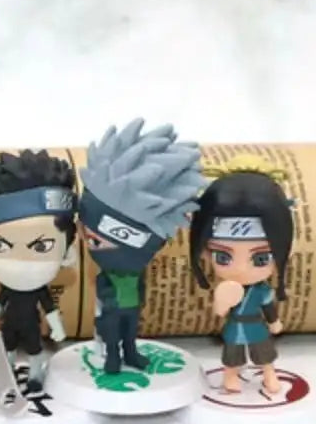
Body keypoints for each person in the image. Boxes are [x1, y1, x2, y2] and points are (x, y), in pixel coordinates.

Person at [79, 118, 204, 373]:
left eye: (94, 240)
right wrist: (107, 303)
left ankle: (130, 353)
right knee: (112, 335)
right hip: (114, 310)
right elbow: (103, 288)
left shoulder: (136, 266)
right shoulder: (108, 274)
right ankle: (112, 358)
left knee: (130, 333)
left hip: (131, 308)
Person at [0, 149, 77, 392]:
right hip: (9, 325)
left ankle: (35, 375)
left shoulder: (39, 290)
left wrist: (56, 327)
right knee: (7, 348)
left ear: (67, 254)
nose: (21, 262)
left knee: (35, 349)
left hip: (32, 325)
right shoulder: (8, 288)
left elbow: (49, 308)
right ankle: (7, 372)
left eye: (41, 247)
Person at [189, 156, 293, 394]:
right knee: (232, 356)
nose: (241, 269)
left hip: (257, 326)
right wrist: (222, 302)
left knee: (265, 354)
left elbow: (269, 309)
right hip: (235, 326)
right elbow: (220, 312)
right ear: (205, 253)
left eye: (261, 258)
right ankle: (231, 377)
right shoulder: (229, 289)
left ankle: (269, 375)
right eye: (223, 257)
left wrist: (274, 322)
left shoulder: (262, 290)